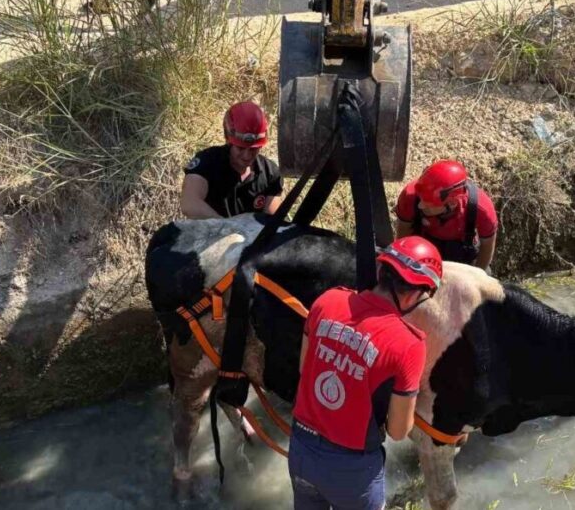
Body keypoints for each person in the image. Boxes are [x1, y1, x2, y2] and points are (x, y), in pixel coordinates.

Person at [289, 236, 442, 510]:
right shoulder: (409, 344)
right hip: (352, 472)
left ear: (381, 270)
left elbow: (304, 368)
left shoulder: (327, 300)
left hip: (301, 450)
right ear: (413, 294)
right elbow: (398, 431)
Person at [180, 102, 284, 219]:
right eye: (240, 148)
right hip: (212, 229)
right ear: (228, 140)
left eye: (253, 149)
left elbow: (272, 220)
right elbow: (189, 204)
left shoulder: (270, 173)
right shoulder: (207, 161)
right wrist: (226, 226)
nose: (247, 155)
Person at [394, 159, 498, 270]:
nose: (420, 205)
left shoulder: (481, 209)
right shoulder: (410, 196)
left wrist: (478, 273)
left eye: (428, 203)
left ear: (452, 203)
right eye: (421, 199)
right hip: (423, 247)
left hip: (462, 253)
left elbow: (486, 249)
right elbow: (403, 239)